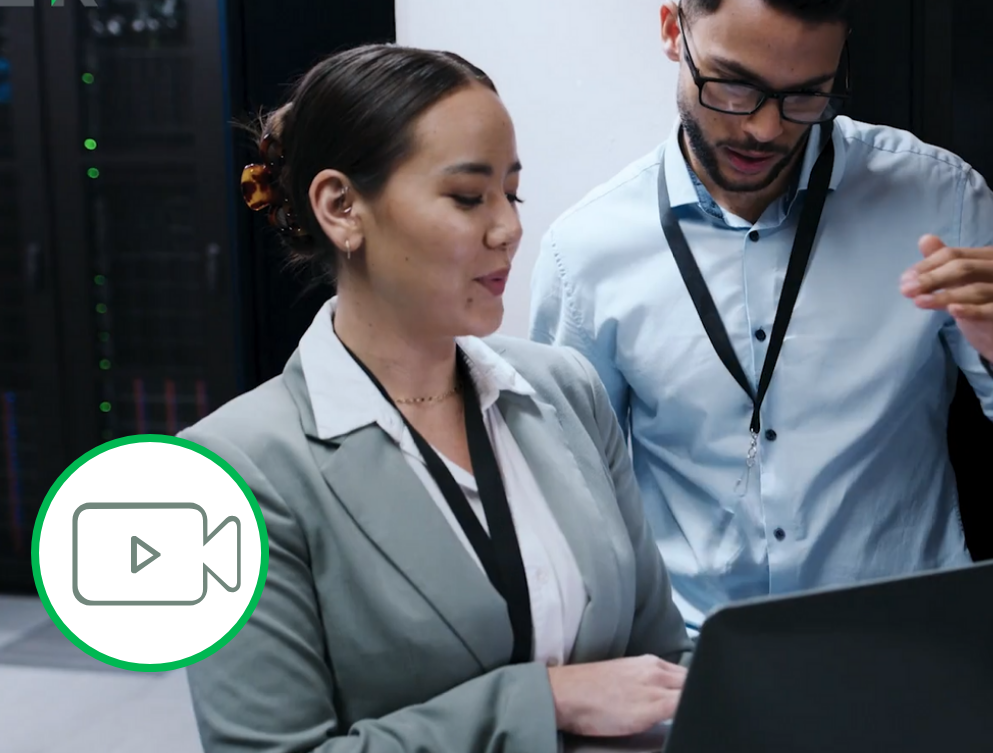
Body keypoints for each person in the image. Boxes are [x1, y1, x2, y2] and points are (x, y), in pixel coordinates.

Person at [529, 0, 993, 635]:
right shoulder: (584, 255)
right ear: (672, 31)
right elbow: (565, 511)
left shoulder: (940, 200)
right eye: (733, 86)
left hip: (907, 654)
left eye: (806, 95)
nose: (765, 128)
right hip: (690, 665)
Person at [179, 44, 690, 753]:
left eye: (512, 193)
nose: (509, 228)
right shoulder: (229, 472)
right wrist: (542, 702)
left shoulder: (566, 390)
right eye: (468, 197)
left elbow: (661, 667)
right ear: (341, 207)